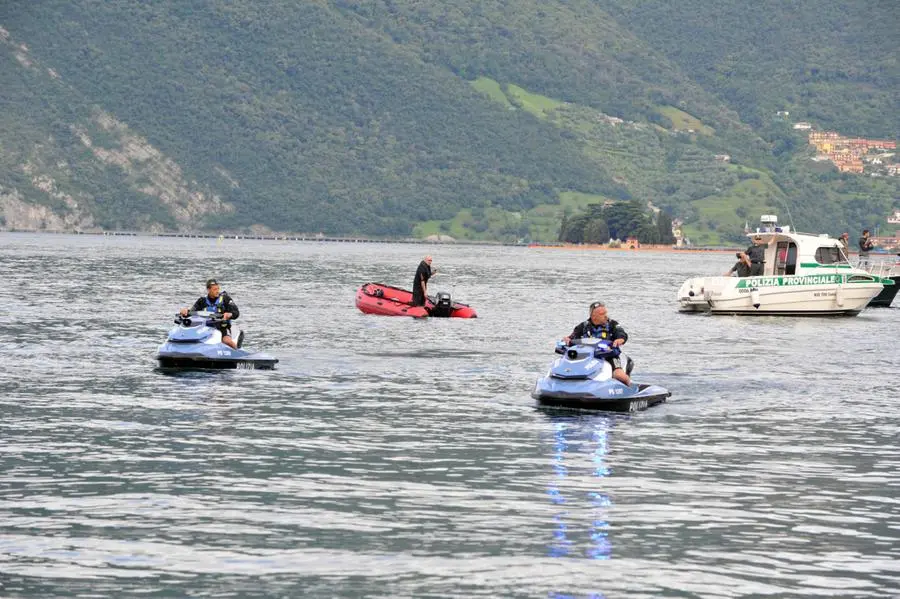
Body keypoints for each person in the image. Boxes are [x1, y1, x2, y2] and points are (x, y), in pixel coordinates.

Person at [562, 301, 631, 386]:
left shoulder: (612, 324)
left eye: (606, 313)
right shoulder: (583, 326)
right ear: (593, 316)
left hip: (609, 355)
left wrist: (620, 339)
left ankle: (631, 388)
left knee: (619, 376)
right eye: (602, 314)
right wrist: (567, 339)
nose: (606, 316)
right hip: (588, 356)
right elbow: (573, 336)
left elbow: (621, 333)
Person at [180, 279, 240, 349]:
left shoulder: (225, 299)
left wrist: (230, 314)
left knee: (226, 341)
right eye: (215, 289)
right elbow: (192, 313)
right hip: (205, 327)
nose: (217, 291)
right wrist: (185, 312)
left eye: (218, 288)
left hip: (222, 327)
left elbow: (236, 313)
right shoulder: (202, 301)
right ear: (208, 290)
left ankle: (238, 352)